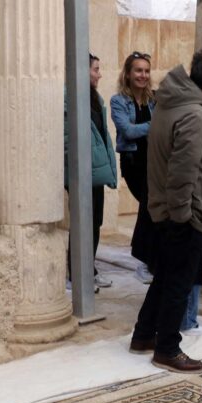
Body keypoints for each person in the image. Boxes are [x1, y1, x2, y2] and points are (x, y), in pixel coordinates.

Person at [130, 46, 202, 372]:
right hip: (182, 212)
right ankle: (167, 348)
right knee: (178, 280)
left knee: (165, 276)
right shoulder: (195, 113)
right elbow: (182, 172)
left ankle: (144, 334)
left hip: (164, 207)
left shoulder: (172, 101)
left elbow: (185, 157)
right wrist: (183, 218)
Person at [65, 53, 118, 291]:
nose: (99, 74)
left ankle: (90, 268)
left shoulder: (95, 98)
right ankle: (77, 274)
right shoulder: (69, 99)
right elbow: (68, 138)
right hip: (82, 171)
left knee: (95, 221)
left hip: (96, 170)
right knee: (81, 223)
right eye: (95, 69)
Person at [111, 51, 156, 285]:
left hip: (155, 161)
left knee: (151, 207)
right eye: (138, 70)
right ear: (128, 74)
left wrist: (147, 126)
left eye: (147, 71)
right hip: (133, 162)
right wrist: (153, 124)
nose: (143, 75)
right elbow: (127, 131)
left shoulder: (154, 99)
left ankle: (149, 259)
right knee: (148, 205)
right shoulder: (118, 101)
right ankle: (145, 258)